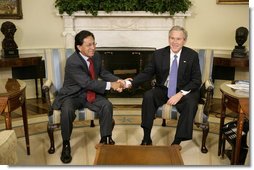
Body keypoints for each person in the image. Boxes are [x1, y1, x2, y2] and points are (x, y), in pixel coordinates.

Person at [51, 30, 124, 163]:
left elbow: (103, 73)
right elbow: (87, 82)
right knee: (66, 111)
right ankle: (66, 144)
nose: (93, 48)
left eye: (94, 44)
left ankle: (105, 139)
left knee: (107, 105)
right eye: (89, 45)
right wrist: (110, 86)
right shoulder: (73, 61)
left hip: (90, 93)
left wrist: (119, 81)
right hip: (73, 95)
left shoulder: (96, 56)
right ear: (79, 47)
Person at [125, 26, 202, 149]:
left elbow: (196, 80)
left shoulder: (192, 55)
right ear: (168, 38)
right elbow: (147, 73)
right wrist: (131, 83)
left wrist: (180, 93)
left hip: (184, 91)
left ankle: (177, 142)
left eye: (178, 39)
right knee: (148, 96)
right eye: (172, 38)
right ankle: (146, 137)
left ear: (184, 40)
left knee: (191, 103)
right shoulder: (159, 54)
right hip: (164, 89)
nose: (175, 42)